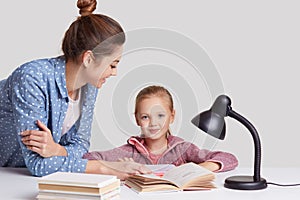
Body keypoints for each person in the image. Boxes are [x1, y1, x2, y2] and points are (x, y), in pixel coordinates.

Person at [0, 0, 150, 179]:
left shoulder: (89, 85)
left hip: (18, 177)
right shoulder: (31, 78)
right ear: (88, 59)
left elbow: (80, 146)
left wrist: (57, 149)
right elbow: (38, 164)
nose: (115, 72)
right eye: (112, 64)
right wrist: (104, 168)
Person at [83, 85, 238, 172]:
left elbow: (230, 159)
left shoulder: (183, 149)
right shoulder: (128, 151)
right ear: (137, 119)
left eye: (160, 116)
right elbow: (86, 159)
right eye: (145, 117)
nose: (153, 123)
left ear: (172, 116)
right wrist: (115, 166)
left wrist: (199, 169)